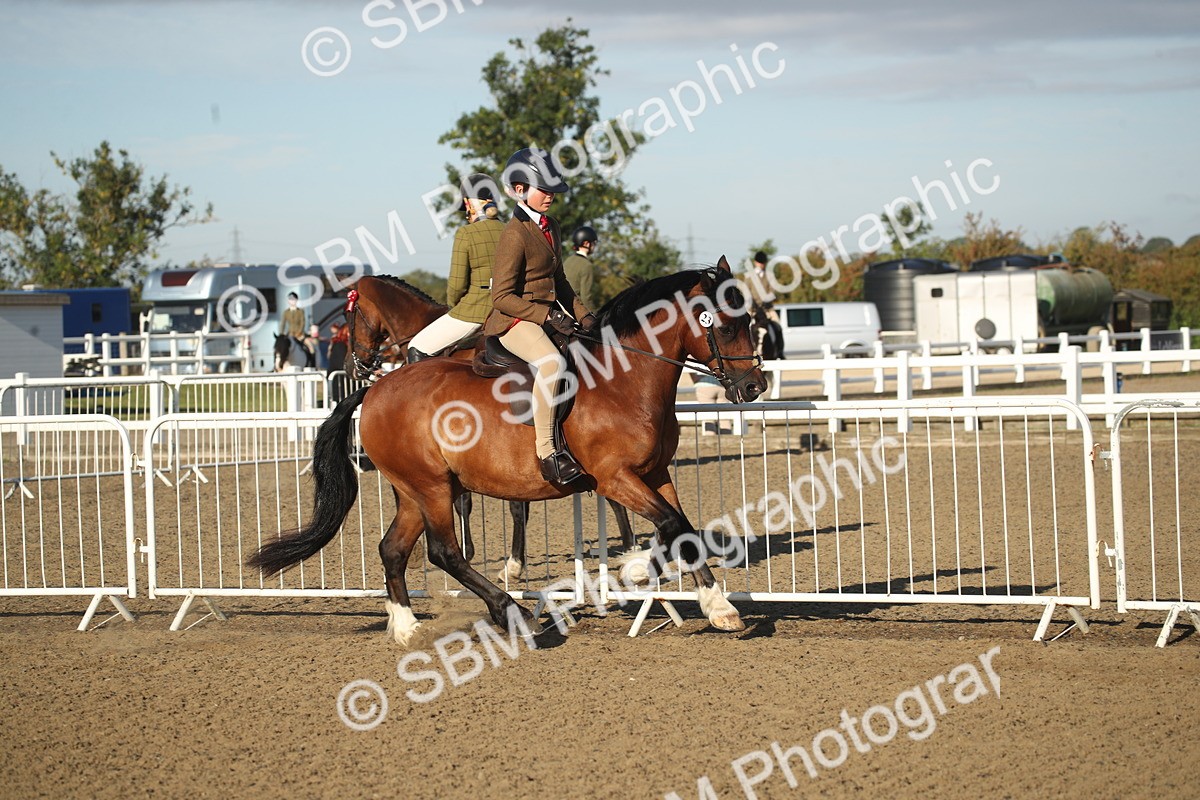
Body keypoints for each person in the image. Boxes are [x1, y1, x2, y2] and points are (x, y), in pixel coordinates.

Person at [482, 147, 596, 484]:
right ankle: (547, 452)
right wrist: (545, 316)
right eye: (543, 190)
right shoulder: (513, 235)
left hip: (546, 315)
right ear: (520, 190)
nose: (550, 197)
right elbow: (501, 296)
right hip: (515, 320)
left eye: (552, 191)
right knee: (553, 364)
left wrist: (586, 317)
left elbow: (559, 281)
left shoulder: (552, 226)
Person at [407, 173, 506, 362]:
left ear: (469, 203)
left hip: (475, 311)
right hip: (509, 311)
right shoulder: (511, 229)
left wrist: (454, 306)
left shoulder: (466, 234)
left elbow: (457, 285)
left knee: (417, 347)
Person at [563, 225, 599, 311]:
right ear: (586, 243)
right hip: (575, 309)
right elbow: (586, 298)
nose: (594, 246)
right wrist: (596, 316)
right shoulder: (586, 265)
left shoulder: (568, 260)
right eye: (593, 243)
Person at [692, 371, 732, 435]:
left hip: (704, 385)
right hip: (722, 385)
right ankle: (727, 438)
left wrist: (695, 379)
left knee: (708, 418)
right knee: (724, 417)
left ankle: (710, 439)